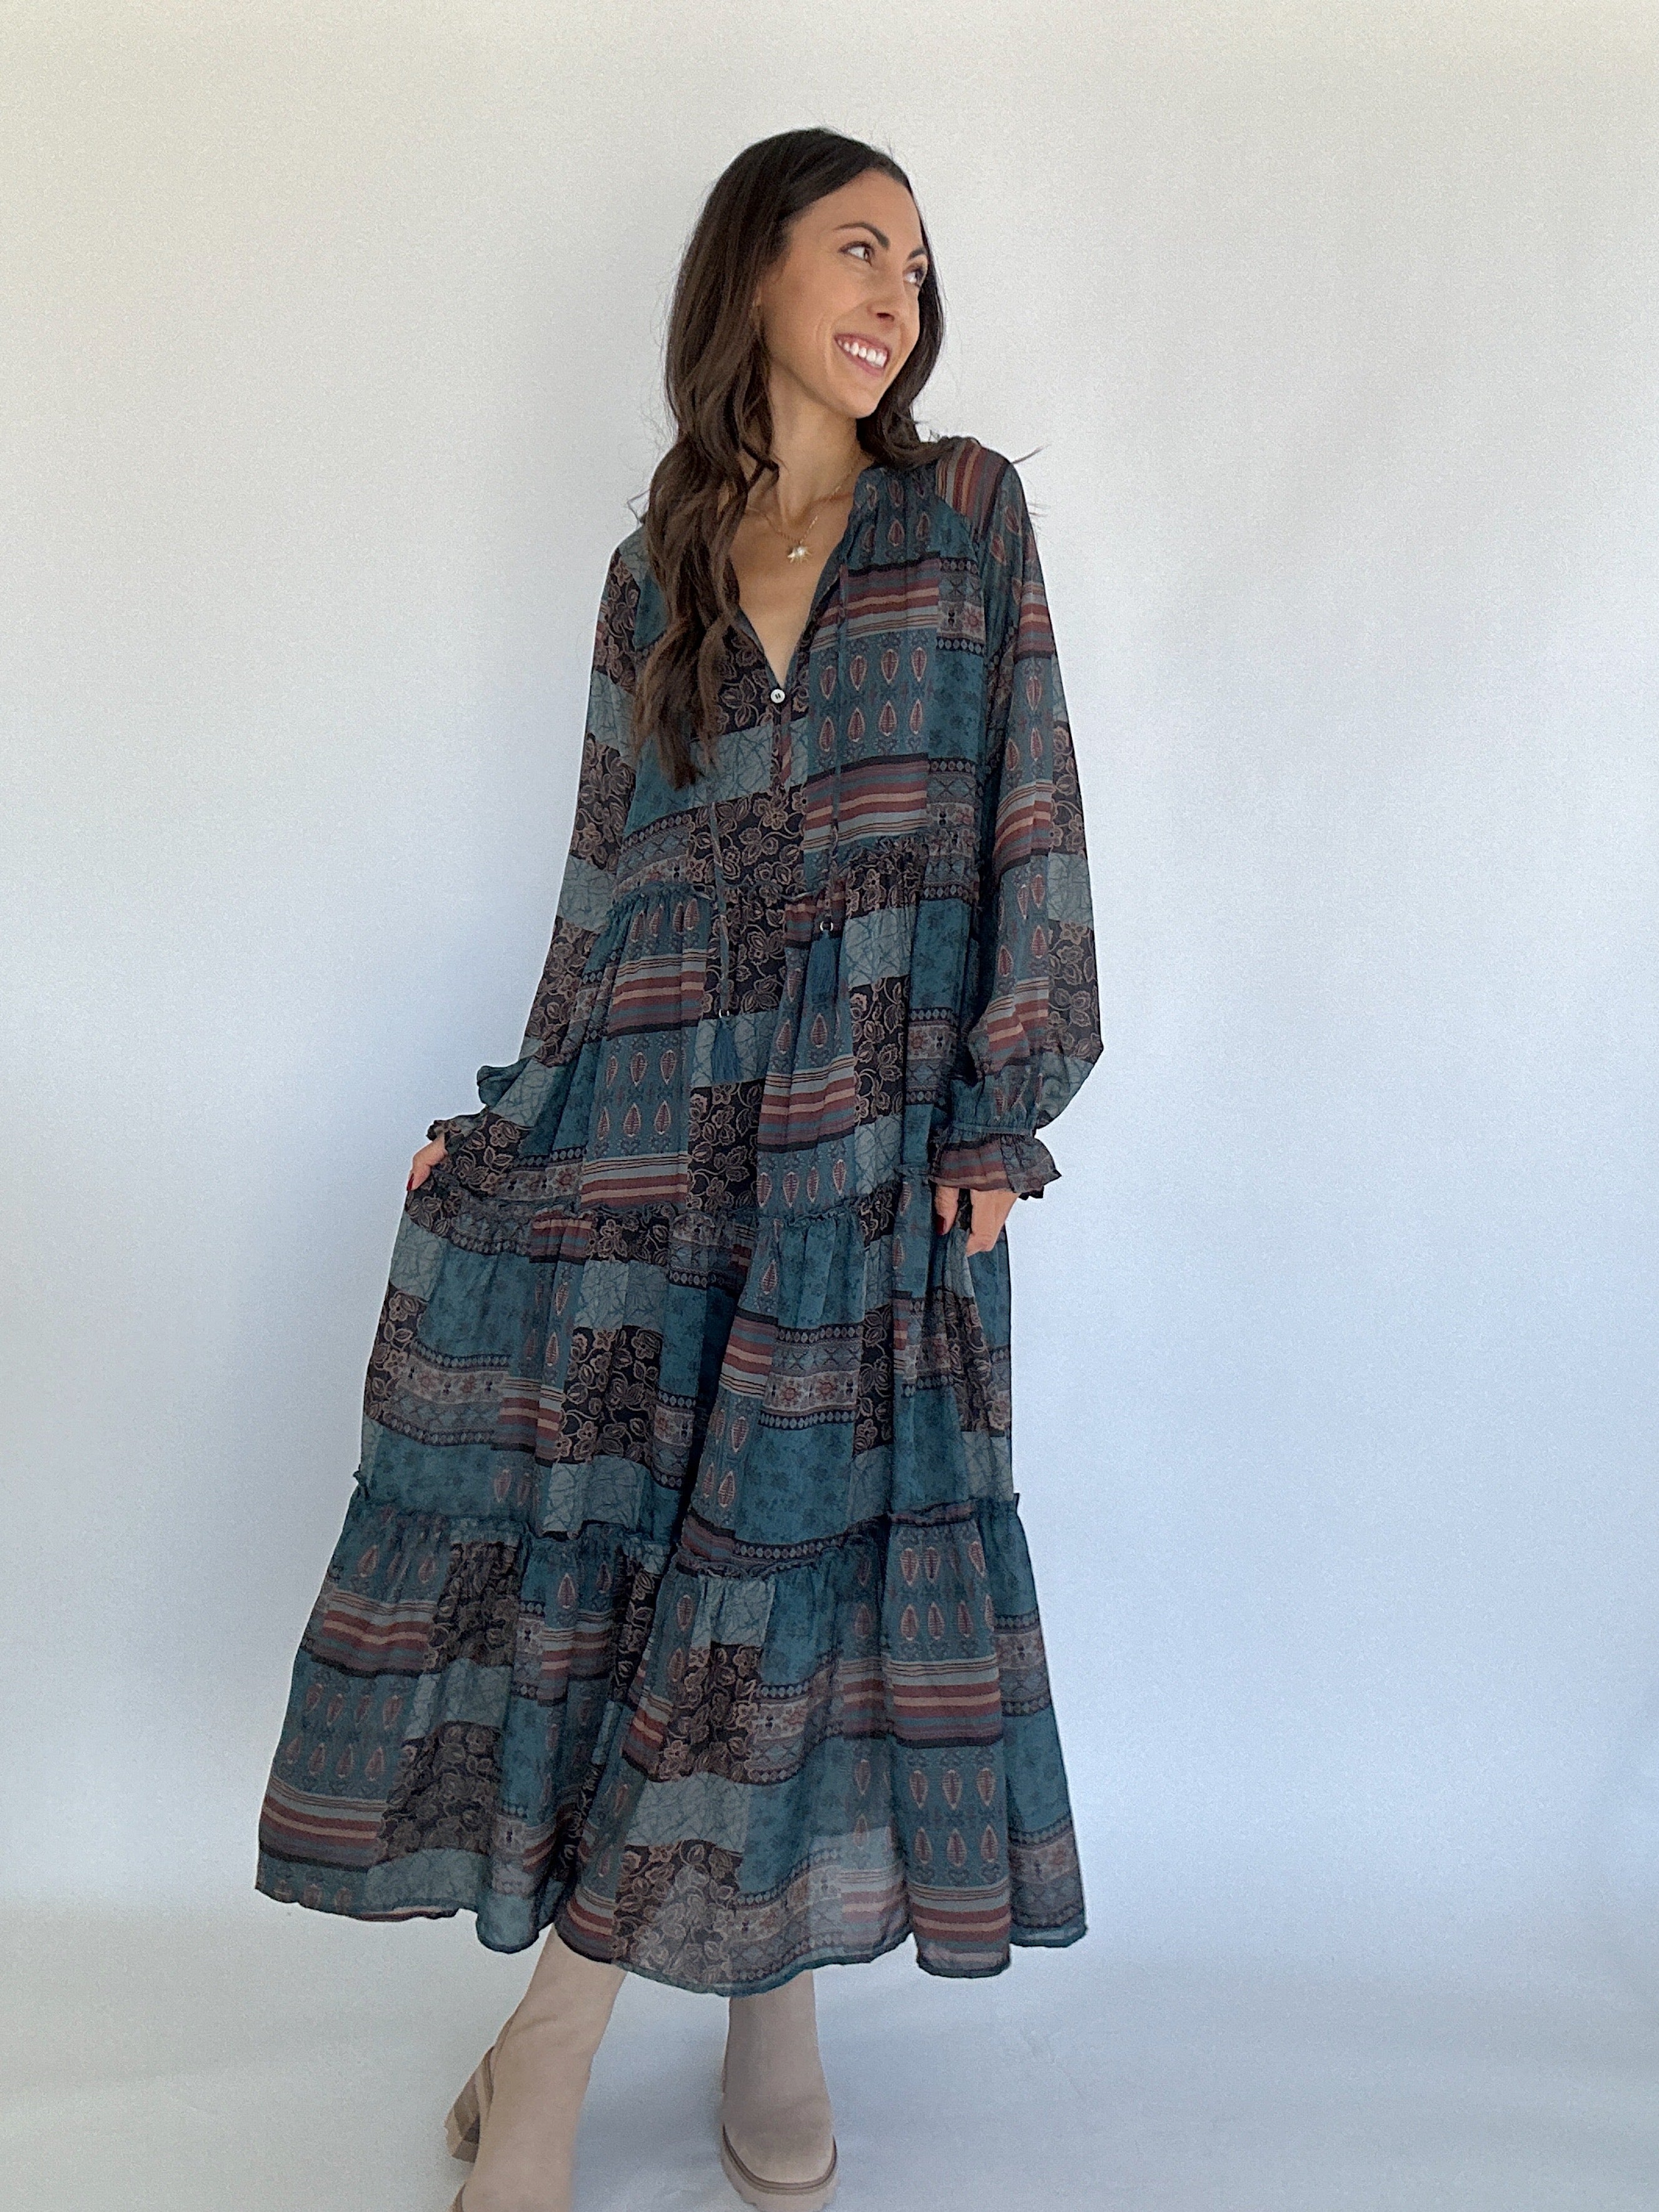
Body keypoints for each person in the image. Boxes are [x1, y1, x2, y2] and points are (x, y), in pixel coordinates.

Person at [255, 126, 1102, 2212]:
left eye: (917, 256)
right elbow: (600, 881)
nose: (898, 288)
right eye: (853, 243)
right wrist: (525, 1105)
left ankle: (599, 2036)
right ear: (750, 277)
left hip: (881, 1152)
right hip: (659, 1137)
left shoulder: (969, 516)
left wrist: (1008, 1100)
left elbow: (1037, 824)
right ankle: (717, 2016)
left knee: (784, 1581)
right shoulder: (659, 560)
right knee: (663, 1593)